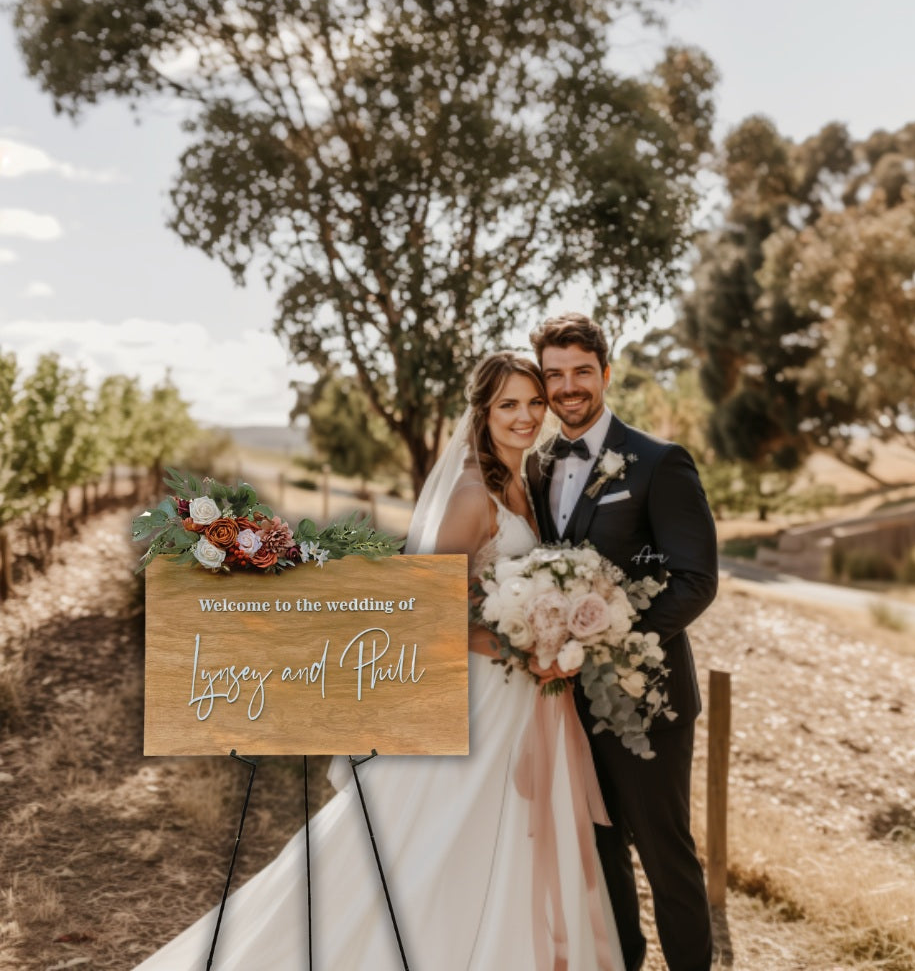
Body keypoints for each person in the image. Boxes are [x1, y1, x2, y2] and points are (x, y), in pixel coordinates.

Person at [132, 352, 624, 971]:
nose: (526, 417)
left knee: (501, 837)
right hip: (482, 695)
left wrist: (551, 632)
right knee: (425, 843)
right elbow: (434, 609)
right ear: (482, 412)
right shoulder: (474, 494)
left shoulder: (522, 483)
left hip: (519, 696)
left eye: (533, 403)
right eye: (508, 405)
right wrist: (521, 645)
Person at [526, 313, 718, 971]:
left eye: (582, 371)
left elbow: (695, 581)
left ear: (605, 373)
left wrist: (610, 644)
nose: (569, 386)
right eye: (555, 374)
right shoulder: (536, 465)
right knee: (601, 857)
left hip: (647, 701)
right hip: (566, 706)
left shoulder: (659, 463)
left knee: (666, 859)